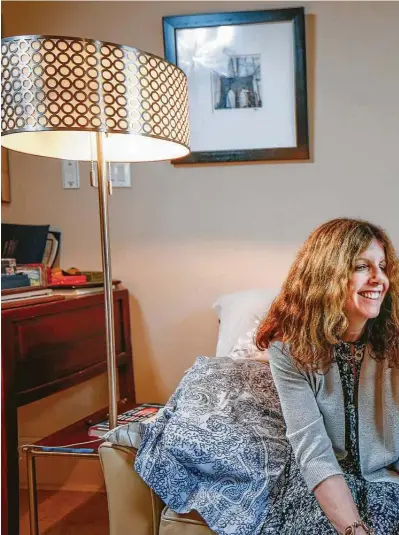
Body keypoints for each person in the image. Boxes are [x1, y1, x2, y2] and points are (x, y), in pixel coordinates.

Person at [256, 218, 399, 535]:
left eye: (383, 267)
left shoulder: (395, 339)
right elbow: (314, 453)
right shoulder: (288, 350)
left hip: (386, 478)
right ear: (327, 275)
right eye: (363, 267)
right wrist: (354, 530)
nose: (379, 279)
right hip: (322, 482)